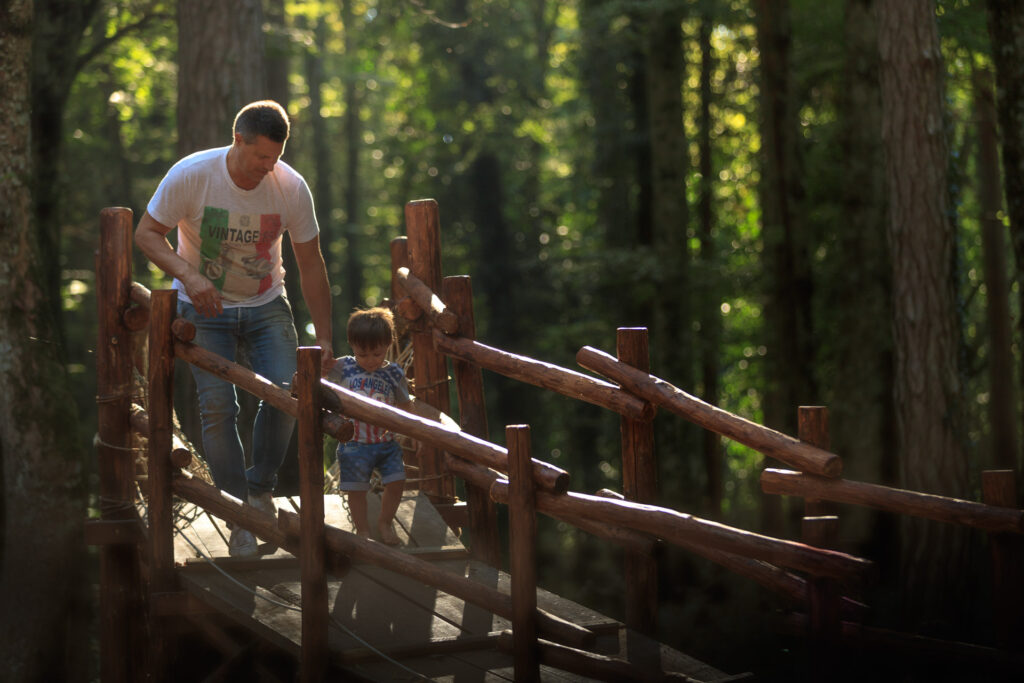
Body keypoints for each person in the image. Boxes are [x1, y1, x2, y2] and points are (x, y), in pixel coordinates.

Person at [135, 100, 334, 558]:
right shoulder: (193, 174)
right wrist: (189, 274)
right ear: (237, 139)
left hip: (266, 302)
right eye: (260, 156)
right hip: (203, 306)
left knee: (288, 392)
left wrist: (323, 340)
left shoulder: (291, 188)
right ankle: (237, 514)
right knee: (218, 406)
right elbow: (147, 233)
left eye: (277, 157)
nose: (268, 166)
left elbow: (310, 264)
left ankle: (259, 491)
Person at [326, 307, 412, 545]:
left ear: (387, 344)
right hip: (354, 442)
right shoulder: (343, 367)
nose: (370, 361)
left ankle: (385, 522)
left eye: (376, 353)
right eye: (363, 354)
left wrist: (410, 432)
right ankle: (362, 530)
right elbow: (321, 381)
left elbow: (405, 404)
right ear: (352, 345)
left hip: (386, 442)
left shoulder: (393, 373)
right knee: (356, 489)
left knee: (397, 481)